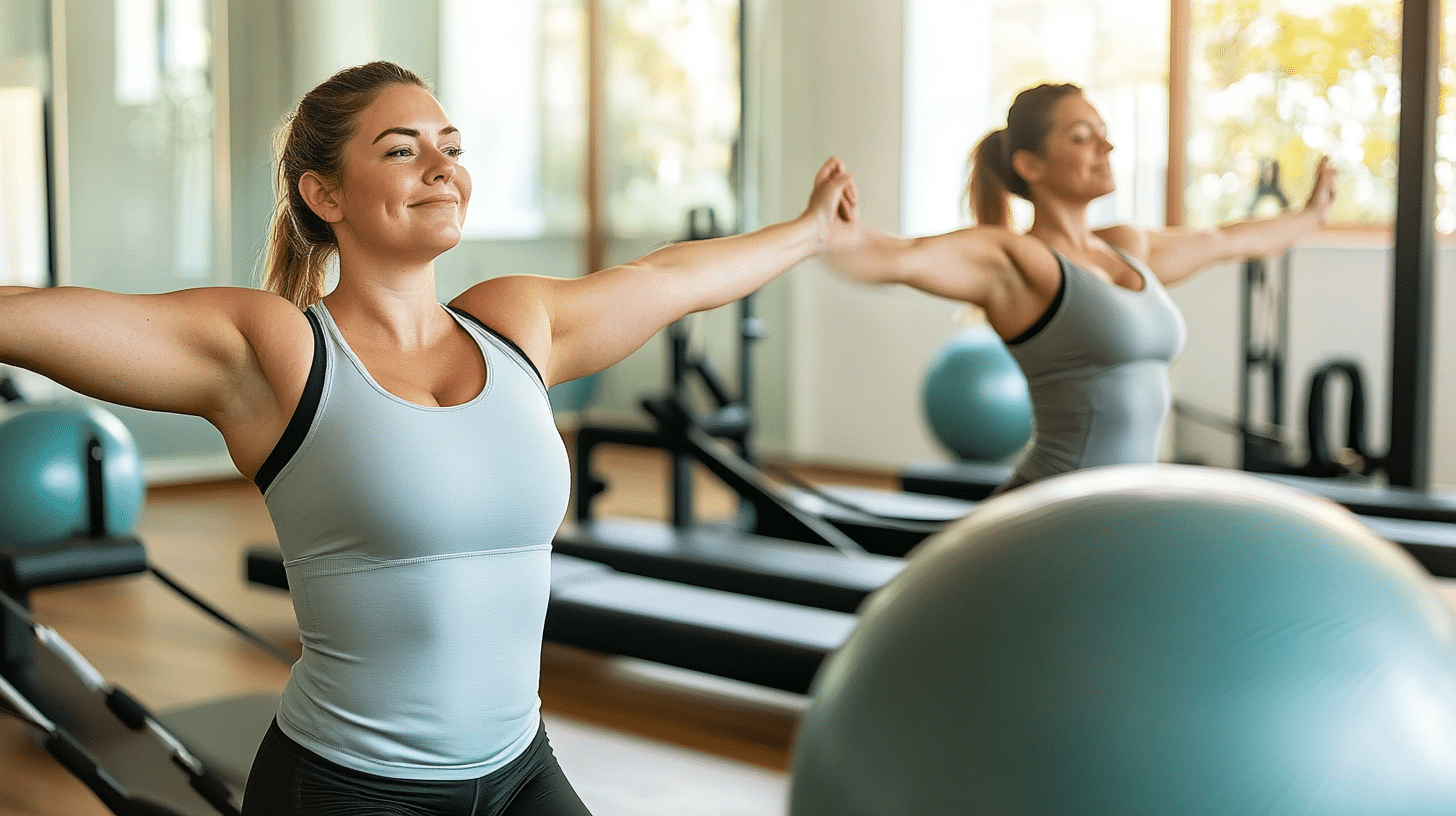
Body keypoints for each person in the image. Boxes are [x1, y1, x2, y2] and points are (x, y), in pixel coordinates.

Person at [0, 61, 858, 815]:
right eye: (402, 149)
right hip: (345, 786)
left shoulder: (517, 324)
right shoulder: (281, 353)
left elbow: (672, 278)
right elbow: (44, 318)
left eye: (451, 146)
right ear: (324, 194)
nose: (443, 168)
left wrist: (812, 232)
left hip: (519, 769)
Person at [824, 82, 1337, 493]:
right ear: (1031, 165)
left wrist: (1312, 216)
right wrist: (829, 228)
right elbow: (902, 258)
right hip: (1054, 510)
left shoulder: (1128, 249)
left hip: (1120, 506)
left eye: (1104, 132)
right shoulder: (1021, 262)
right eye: (1081, 136)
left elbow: (1226, 240)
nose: (1106, 146)